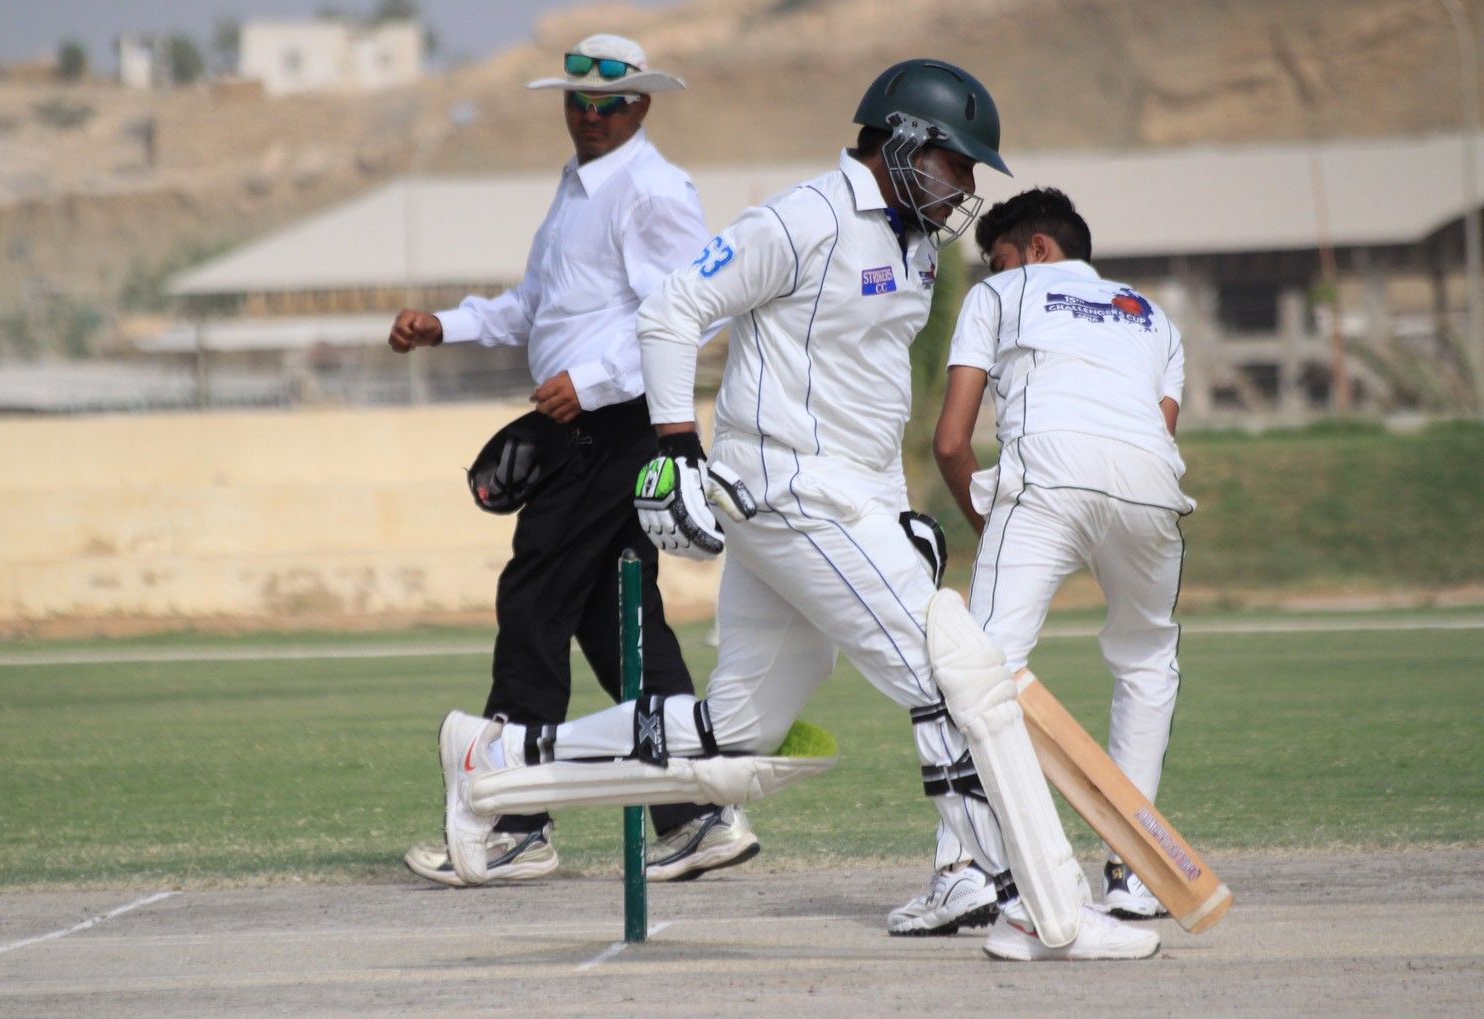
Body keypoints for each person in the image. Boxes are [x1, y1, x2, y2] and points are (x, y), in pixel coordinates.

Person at [433, 60, 1160, 961]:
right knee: (954, 675)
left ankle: (496, 759)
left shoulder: (916, 244)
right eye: (957, 163)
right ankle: (1037, 908)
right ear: (902, 142)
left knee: (736, 729)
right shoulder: (801, 218)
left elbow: (873, 396)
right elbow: (672, 310)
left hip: (848, 499)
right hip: (786, 493)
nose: (965, 186)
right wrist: (677, 451)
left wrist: (898, 512)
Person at [389, 33, 758, 886]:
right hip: (584, 428)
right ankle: (699, 812)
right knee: (619, 623)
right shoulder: (578, 186)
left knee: (532, 604)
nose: (592, 117)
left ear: (642, 105)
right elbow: (538, 307)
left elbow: (694, 311)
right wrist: (445, 325)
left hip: (611, 427)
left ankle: (513, 822)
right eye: (578, 103)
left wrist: (591, 383)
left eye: (610, 105)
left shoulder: (652, 190)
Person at [889, 187, 1193, 932]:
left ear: (1036, 249)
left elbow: (951, 442)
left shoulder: (1000, 294)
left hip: (1046, 477)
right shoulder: (1153, 317)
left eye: (998, 258)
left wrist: (992, 526)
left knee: (979, 668)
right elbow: (1152, 435)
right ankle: (1134, 872)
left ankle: (966, 871)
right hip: (1153, 488)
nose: (993, 272)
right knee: (1147, 662)